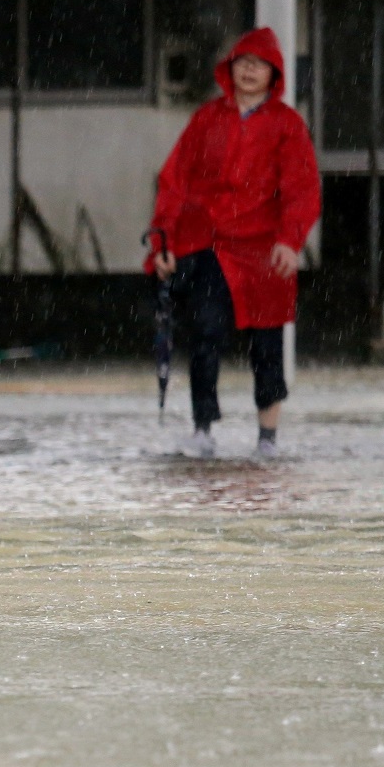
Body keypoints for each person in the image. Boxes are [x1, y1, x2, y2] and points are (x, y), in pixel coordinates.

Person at [147, 27, 320, 459]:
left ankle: (268, 439)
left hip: (264, 250)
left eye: (258, 64)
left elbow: (301, 188)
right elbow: (174, 181)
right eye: (242, 62)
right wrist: (163, 240)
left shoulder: (287, 125)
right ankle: (203, 429)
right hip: (209, 246)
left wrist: (290, 240)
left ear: (273, 74)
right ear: (230, 69)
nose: (249, 70)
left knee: (267, 343)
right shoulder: (207, 118)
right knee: (204, 334)